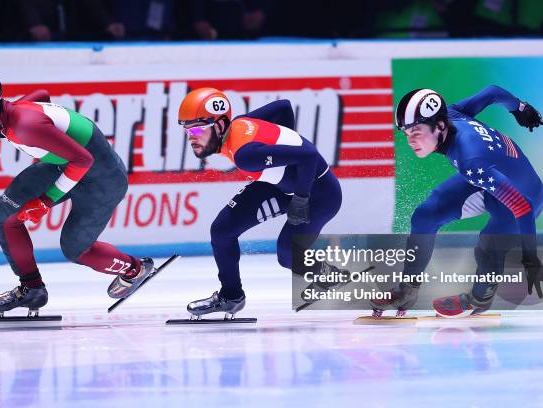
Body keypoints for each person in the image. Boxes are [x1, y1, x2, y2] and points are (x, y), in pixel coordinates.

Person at [0, 69, 154, 314]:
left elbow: (83, 160)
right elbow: (42, 95)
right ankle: (31, 289)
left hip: (102, 178)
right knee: (4, 216)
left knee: (75, 249)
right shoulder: (10, 114)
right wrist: (51, 139)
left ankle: (135, 269)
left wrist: (45, 200)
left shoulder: (25, 126)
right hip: (62, 164)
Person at [373, 86, 543, 318]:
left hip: (526, 194)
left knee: (489, 246)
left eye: (416, 131)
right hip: (493, 176)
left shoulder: (469, 160)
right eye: (406, 133)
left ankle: (479, 298)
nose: (410, 140)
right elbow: (492, 92)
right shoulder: (452, 114)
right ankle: (407, 290)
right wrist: (520, 107)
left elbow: (521, 206)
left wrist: (530, 259)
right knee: (425, 216)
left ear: (439, 126)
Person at [177, 87, 344, 318]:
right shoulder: (239, 124)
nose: (191, 137)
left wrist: (301, 197)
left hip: (320, 195)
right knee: (222, 230)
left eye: (197, 128)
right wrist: (283, 156)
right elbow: (283, 105)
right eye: (187, 130)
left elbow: (308, 155)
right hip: (281, 186)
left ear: (219, 126)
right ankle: (231, 296)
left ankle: (330, 274)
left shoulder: (246, 155)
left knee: (287, 256)